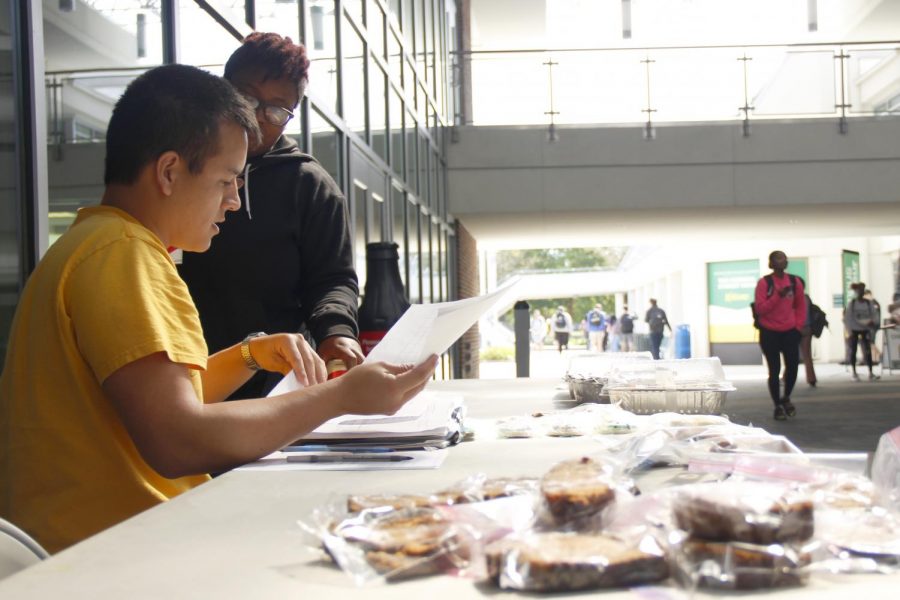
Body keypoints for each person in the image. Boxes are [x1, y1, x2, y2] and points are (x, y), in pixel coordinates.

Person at [0, 65, 436, 554]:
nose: (234, 201)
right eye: (227, 180)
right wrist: (341, 399)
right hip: (116, 558)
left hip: (88, 545)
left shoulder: (91, 243)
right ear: (169, 171)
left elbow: (157, 398)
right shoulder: (123, 255)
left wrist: (250, 354)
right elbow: (177, 438)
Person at [179, 32, 363, 400]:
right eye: (246, 98)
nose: (258, 116)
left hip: (272, 382)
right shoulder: (179, 165)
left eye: (278, 110)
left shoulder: (310, 186)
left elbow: (332, 278)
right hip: (181, 369)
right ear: (223, 90)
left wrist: (336, 331)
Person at [754, 251, 806, 420]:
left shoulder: (794, 281)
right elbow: (761, 309)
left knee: (793, 367)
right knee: (774, 370)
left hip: (790, 331)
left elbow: (800, 305)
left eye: (783, 259)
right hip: (769, 332)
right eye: (777, 259)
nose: (781, 262)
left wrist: (798, 326)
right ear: (771, 263)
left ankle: (786, 397)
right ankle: (777, 405)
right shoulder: (764, 283)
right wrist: (778, 296)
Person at [844, 282, 880, 381]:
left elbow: (874, 314)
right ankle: (854, 372)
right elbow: (848, 318)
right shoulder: (852, 304)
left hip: (865, 329)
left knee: (867, 350)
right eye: (859, 290)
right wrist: (850, 330)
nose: (860, 292)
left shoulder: (868, 303)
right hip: (854, 329)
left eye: (862, 290)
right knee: (853, 350)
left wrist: (873, 322)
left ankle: (870, 372)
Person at [799, 288, 818, 387]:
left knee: (790, 355)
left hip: (796, 328)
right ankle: (811, 378)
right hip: (807, 328)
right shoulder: (807, 298)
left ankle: (785, 377)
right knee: (807, 355)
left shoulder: (793, 298)